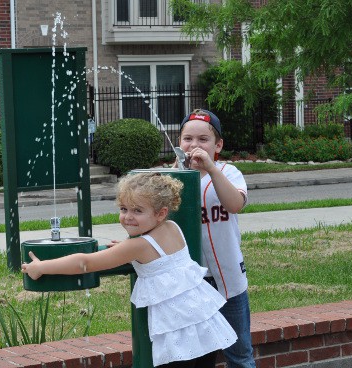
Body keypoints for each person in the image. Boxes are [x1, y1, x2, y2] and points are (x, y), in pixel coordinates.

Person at [22, 172, 237, 368]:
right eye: (123, 209)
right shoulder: (173, 228)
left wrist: (41, 267)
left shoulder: (138, 246)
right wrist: (126, 247)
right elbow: (154, 250)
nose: (128, 216)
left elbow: (84, 263)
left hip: (179, 338)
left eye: (137, 210)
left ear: (161, 213)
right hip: (204, 328)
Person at [177, 109, 256, 368]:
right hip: (191, 282)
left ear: (217, 145)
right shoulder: (171, 178)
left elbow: (234, 204)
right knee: (197, 355)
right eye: (188, 139)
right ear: (179, 142)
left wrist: (211, 168)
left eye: (203, 140)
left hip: (228, 279)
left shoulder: (228, 172)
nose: (195, 145)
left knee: (239, 352)